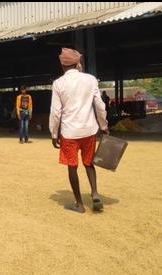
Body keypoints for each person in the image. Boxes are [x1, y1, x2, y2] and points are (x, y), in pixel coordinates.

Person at [49, 47, 109, 214]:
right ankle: (95, 193)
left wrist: (54, 133)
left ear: (63, 66)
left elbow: (55, 112)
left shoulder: (59, 83)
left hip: (69, 133)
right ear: (77, 64)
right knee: (89, 163)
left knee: (72, 166)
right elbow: (100, 105)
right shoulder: (90, 80)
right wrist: (103, 126)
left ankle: (79, 204)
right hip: (89, 130)